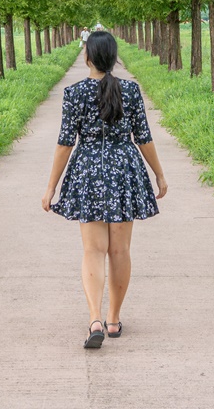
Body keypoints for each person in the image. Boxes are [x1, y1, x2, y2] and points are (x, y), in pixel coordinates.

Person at [41, 28, 168, 348]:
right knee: (120, 251)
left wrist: (51, 187)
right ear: (113, 58)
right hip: (124, 172)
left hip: (88, 174)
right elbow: (143, 138)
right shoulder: (131, 91)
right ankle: (113, 321)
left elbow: (64, 144)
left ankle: (94, 318)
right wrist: (159, 175)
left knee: (93, 251)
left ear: (87, 57)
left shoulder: (75, 94)